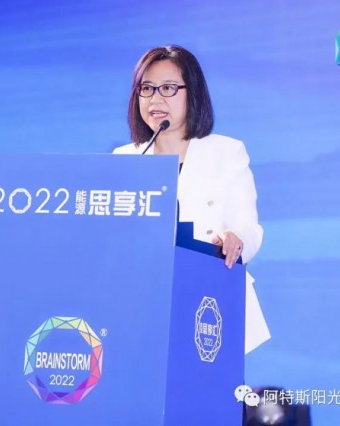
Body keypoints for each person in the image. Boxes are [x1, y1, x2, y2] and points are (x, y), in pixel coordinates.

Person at [113, 45, 270, 353]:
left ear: (193, 92)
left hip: (210, 300)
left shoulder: (226, 152)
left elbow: (249, 228)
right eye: (147, 88)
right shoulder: (125, 158)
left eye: (168, 88)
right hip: (143, 305)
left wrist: (236, 239)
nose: (155, 99)